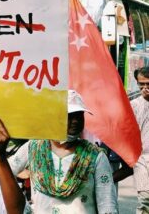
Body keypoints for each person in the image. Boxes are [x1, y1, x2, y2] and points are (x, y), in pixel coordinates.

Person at [9, 90, 118, 213]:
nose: (76, 121)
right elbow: (5, 174)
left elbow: (107, 203)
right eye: (69, 116)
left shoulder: (95, 156)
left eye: (79, 115)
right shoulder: (33, 148)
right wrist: (23, 207)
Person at [114, 67, 149, 213]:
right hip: (142, 160)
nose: (145, 89)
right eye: (142, 85)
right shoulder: (134, 106)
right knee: (145, 199)